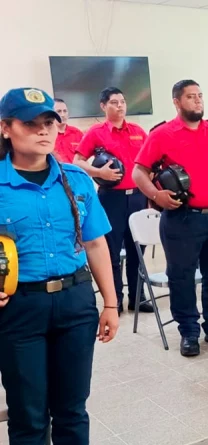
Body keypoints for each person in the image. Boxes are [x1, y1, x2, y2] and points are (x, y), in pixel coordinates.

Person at [0, 87, 119, 444]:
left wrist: (111, 303)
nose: (43, 131)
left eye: (49, 122)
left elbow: (97, 243)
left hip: (76, 304)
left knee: (72, 409)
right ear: (6, 128)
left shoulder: (77, 179)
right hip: (20, 308)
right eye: (30, 123)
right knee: (29, 413)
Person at [133, 79, 208, 357]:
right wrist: (155, 195)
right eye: (190, 97)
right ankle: (189, 331)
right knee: (181, 276)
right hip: (182, 219)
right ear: (177, 102)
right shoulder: (163, 134)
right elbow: (138, 172)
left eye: (200, 96)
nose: (197, 101)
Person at [73, 87, 154, 315]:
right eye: (114, 102)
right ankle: (115, 299)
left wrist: (150, 196)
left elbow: (148, 163)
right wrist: (99, 173)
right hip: (111, 200)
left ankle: (138, 298)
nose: (120, 106)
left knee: (137, 251)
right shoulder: (96, 132)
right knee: (112, 252)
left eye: (122, 101)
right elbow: (77, 161)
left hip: (138, 198)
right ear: (103, 106)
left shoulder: (138, 131)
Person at [52, 98, 83, 164]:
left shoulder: (77, 133)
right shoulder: (47, 135)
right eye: (59, 111)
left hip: (75, 172)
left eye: (65, 111)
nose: (63, 115)